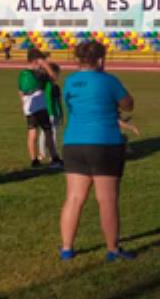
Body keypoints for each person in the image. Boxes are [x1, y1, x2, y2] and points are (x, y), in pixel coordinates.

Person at [59, 40, 137, 261]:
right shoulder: (109, 81)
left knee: (74, 197)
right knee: (107, 199)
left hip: (74, 143)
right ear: (101, 60)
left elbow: (72, 106)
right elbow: (128, 104)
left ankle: (66, 248)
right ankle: (112, 249)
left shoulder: (71, 82)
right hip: (104, 143)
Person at [19, 48, 61, 168]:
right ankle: (51, 157)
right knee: (43, 132)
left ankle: (36, 159)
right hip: (38, 106)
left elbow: (20, 91)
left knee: (36, 131)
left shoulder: (24, 74)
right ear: (36, 60)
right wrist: (46, 65)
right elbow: (53, 77)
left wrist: (23, 105)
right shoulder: (38, 73)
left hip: (33, 106)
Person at [38, 61, 64, 161]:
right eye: (57, 73)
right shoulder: (46, 85)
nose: (58, 76)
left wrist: (61, 113)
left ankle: (52, 154)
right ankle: (43, 153)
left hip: (55, 113)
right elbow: (47, 99)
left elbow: (58, 101)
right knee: (46, 133)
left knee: (54, 133)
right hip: (48, 112)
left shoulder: (56, 87)